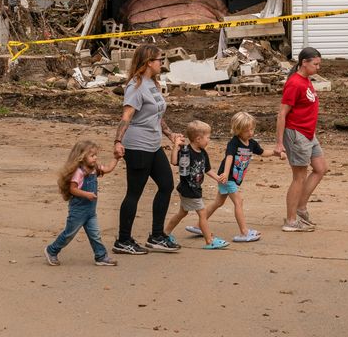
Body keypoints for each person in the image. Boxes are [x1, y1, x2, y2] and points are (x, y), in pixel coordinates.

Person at [113, 43, 184, 255]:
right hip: (137, 145)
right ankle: (123, 240)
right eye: (159, 60)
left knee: (166, 185)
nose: (162, 63)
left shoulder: (152, 83)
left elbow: (157, 116)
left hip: (153, 144)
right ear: (148, 62)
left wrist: (170, 134)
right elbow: (126, 117)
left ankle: (156, 236)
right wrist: (118, 142)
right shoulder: (135, 86)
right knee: (134, 193)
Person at [187, 111, 264, 243]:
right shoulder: (234, 143)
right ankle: (244, 232)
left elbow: (262, 152)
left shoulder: (251, 143)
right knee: (238, 202)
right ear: (238, 130)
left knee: (218, 202)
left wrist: (276, 153)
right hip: (227, 177)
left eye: (252, 129)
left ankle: (198, 225)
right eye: (247, 131)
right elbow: (229, 157)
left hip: (229, 177)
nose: (250, 133)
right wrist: (226, 174)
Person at [273, 47, 325, 233]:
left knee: (320, 169)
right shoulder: (295, 83)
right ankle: (291, 220)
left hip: (309, 134)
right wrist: (279, 143)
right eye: (316, 64)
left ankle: (300, 210)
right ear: (304, 62)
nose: (318, 67)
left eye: (319, 64)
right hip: (297, 134)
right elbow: (281, 114)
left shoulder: (306, 80)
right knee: (299, 177)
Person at [45, 140, 119, 266]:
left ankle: (101, 256)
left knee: (95, 234)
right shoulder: (79, 173)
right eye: (92, 155)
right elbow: (72, 189)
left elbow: (108, 169)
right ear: (81, 157)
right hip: (78, 211)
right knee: (69, 234)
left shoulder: (94, 169)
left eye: (96, 155)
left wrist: (116, 158)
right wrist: (87, 194)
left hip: (90, 211)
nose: (95, 158)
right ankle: (51, 250)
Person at [164, 120, 229, 250]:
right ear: (198, 139)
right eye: (208, 137)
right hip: (189, 189)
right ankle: (209, 241)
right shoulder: (186, 151)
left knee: (182, 213)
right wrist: (176, 147)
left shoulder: (203, 152)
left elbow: (207, 169)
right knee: (203, 213)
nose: (209, 140)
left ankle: (165, 233)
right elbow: (174, 161)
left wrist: (218, 178)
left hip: (195, 188)